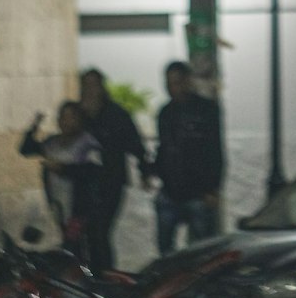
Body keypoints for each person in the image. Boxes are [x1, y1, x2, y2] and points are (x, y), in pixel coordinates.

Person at [79, 68, 151, 273]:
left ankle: (105, 275)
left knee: (100, 230)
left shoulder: (116, 114)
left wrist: (144, 172)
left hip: (111, 180)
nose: (90, 90)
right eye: (86, 85)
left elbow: (135, 144)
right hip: (84, 181)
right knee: (86, 232)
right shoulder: (80, 114)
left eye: (94, 85)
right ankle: (90, 274)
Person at [153, 60, 224, 255]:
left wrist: (212, 187)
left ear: (187, 81)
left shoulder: (206, 110)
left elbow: (214, 150)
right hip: (170, 190)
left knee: (203, 250)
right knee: (165, 249)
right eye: (169, 83)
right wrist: (155, 171)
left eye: (176, 82)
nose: (173, 88)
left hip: (199, 191)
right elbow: (164, 147)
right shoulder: (165, 113)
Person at [19, 100, 102, 263]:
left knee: (77, 248)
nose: (66, 121)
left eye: (71, 117)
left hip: (79, 208)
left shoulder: (88, 143)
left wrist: (62, 169)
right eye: (63, 117)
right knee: (66, 246)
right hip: (59, 205)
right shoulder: (53, 142)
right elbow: (26, 149)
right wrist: (34, 127)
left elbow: (93, 172)